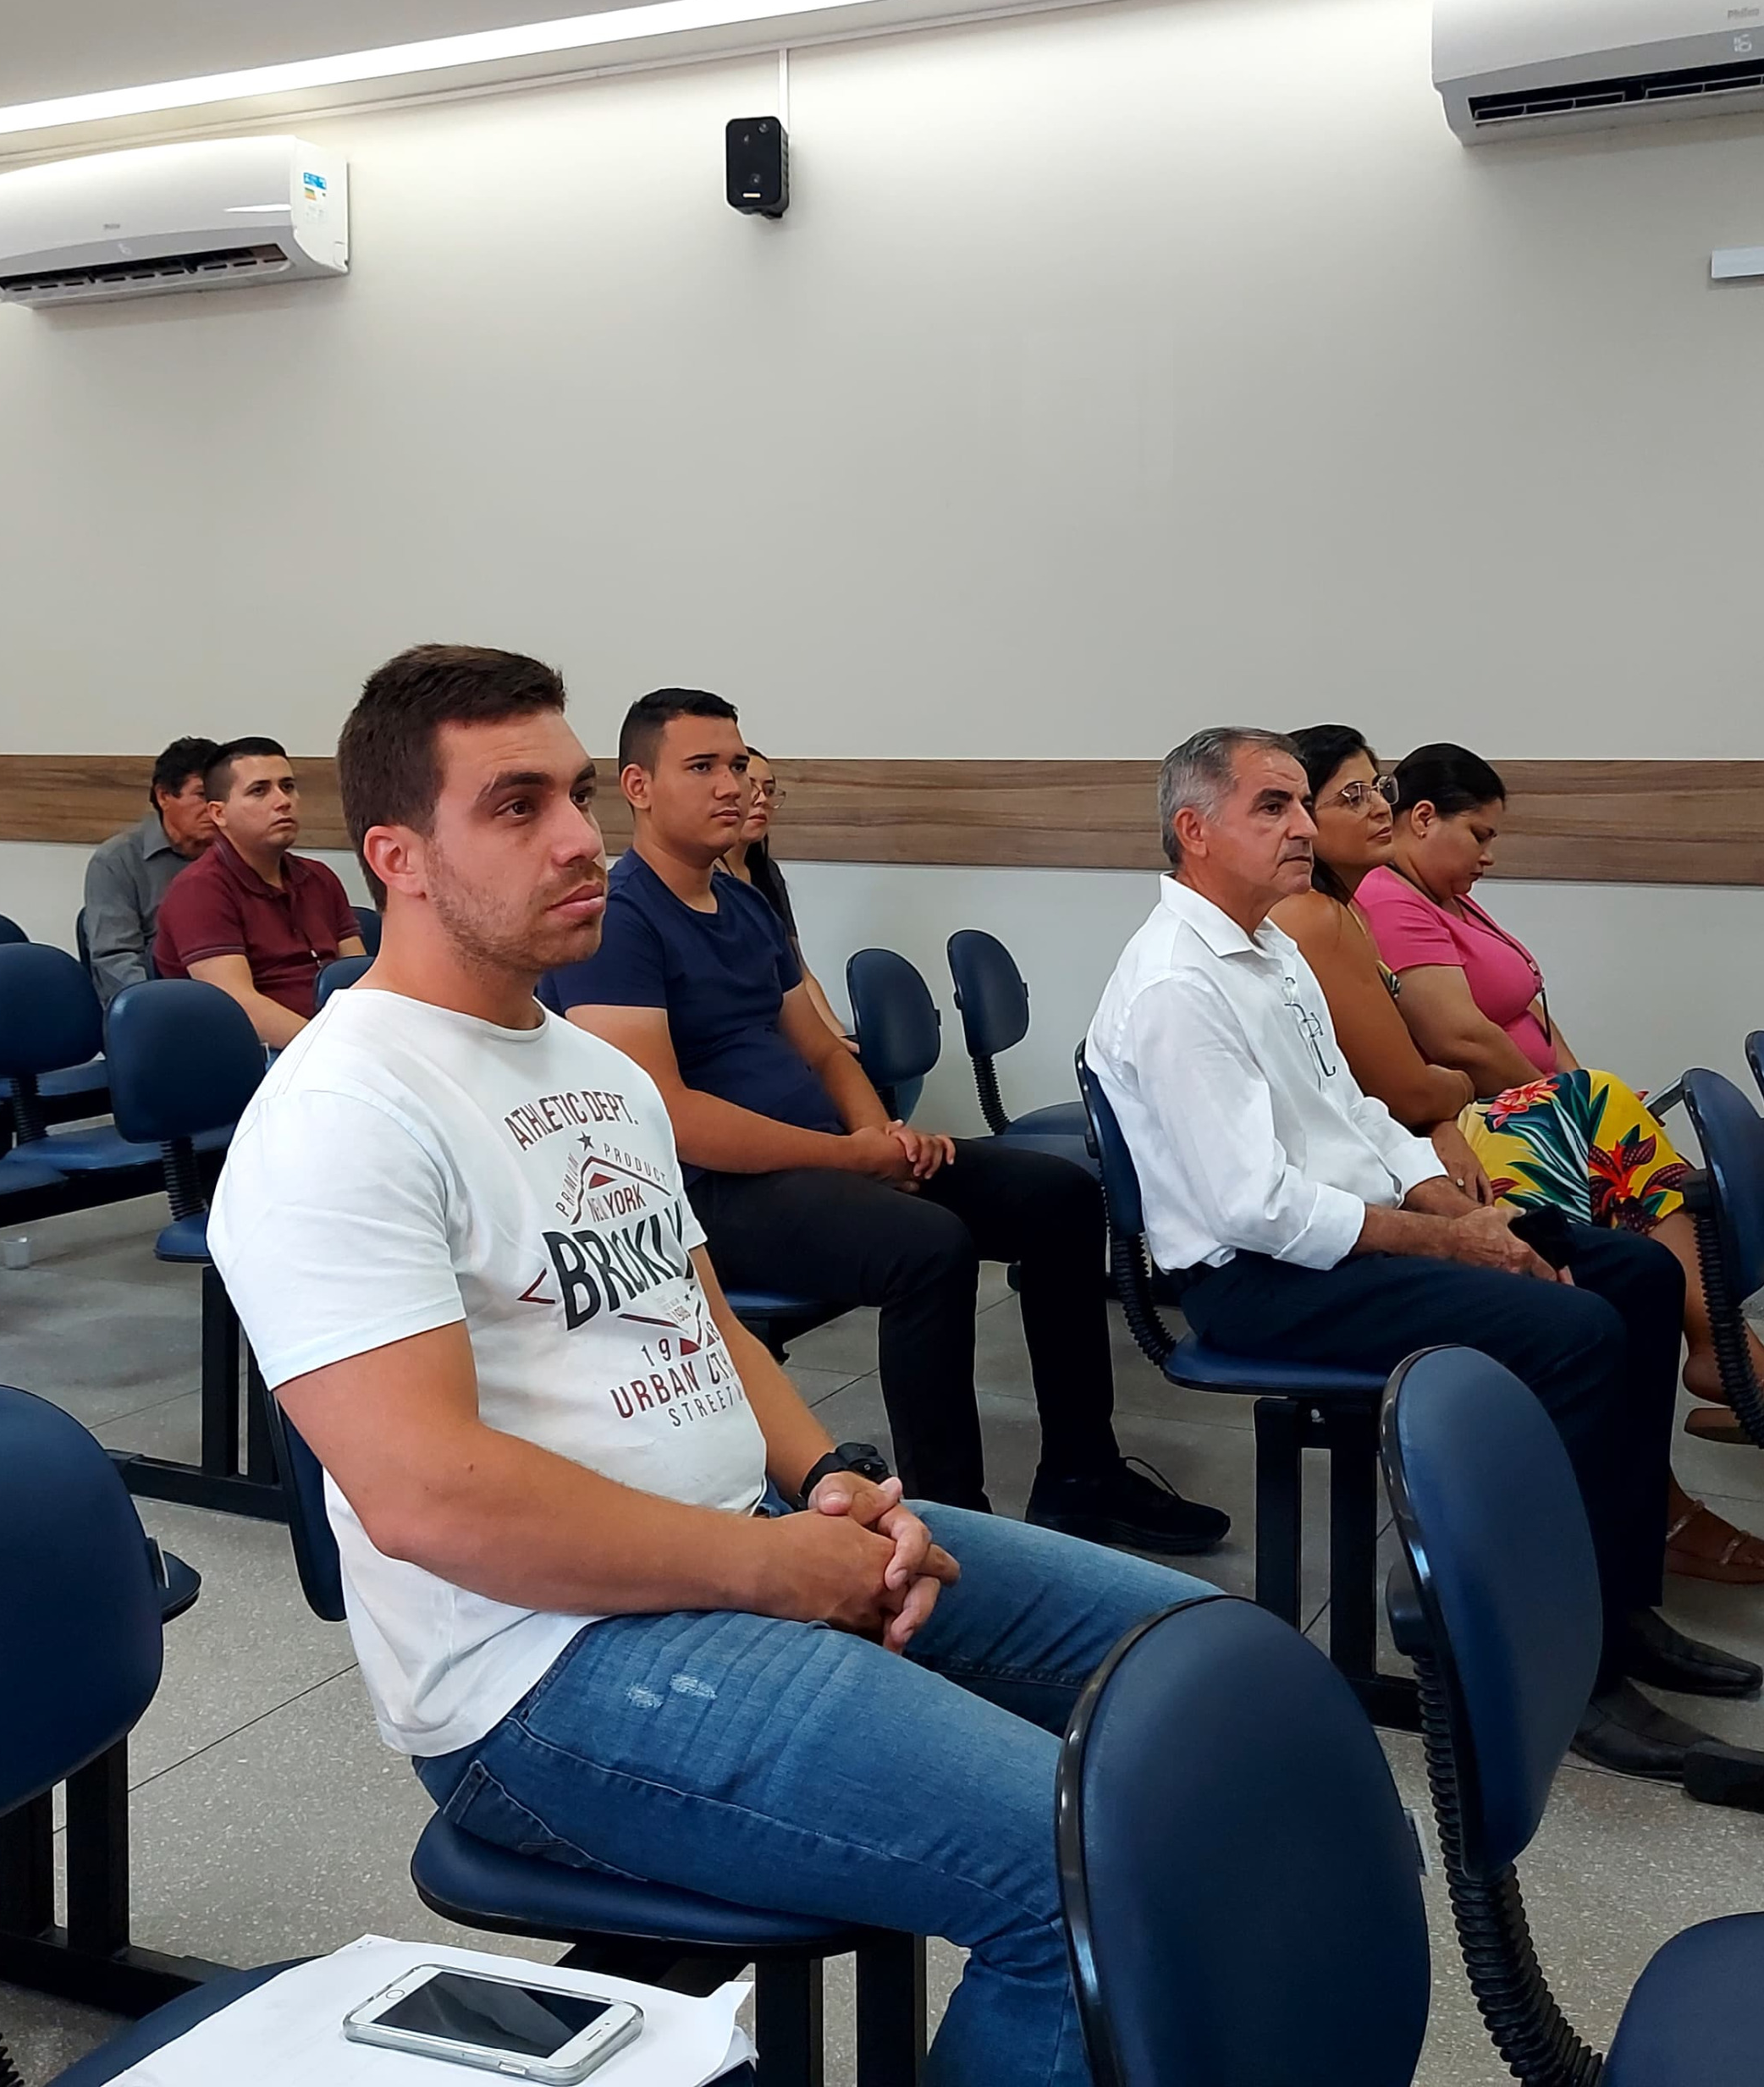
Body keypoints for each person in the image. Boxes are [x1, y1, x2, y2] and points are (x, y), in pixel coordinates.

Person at [211, 644, 1214, 2087]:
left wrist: (829, 1482)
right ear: (398, 857)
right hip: (536, 1670)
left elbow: (706, 1321)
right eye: (514, 804)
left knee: (1191, 1663)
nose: (577, 836)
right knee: (1082, 1864)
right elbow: (429, 1496)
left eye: (571, 792)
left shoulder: (595, 1073)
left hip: (739, 1540)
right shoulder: (344, 1111)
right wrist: (770, 1570)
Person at [1085, 726, 1757, 1776]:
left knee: (1631, 1273)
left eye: (1303, 804)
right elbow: (1254, 1208)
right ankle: (1565, 1672)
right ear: (1192, 831)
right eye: (1272, 807)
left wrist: (1449, 1203)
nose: (1304, 826)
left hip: (1342, 1234)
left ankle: (1617, 1603)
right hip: (1256, 1282)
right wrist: (1449, 1243)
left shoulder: (1269, 947)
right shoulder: (1178, 984)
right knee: (1576, 1333)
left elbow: (1357, 1115)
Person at [550, 688, 1221, 1551]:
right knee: (925, 1247)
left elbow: (827, 1050)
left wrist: (883, 1138)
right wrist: (852, 1157)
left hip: (821, 1160)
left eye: (737, 762)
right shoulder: (621, 919)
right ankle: (955, 1520)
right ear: (636, 787)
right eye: (702, 767)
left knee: (1057, 1198)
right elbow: (666, 1118)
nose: (731, 783)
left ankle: (1081, 1476)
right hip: (709, 1195)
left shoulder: (744, 904)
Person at [1287, 727, 1764, 1582]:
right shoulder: (1348, 909)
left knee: (1606, 1142)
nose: (1375, 805)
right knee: (1599, 1156)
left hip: (1446, 1132)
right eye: (1353, 795)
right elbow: (1421, 1072)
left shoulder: (1379, 904)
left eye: (1375, 787)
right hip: (1414, 1159)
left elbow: (1472, 1041)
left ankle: (1667, 1457)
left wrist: (1535, 1101)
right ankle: (1686, 1424)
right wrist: (1508, 1106)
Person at [151, 735, 364, 1049]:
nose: (282, 801)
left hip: (337, 1041)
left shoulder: (319, 878)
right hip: (257, 1054)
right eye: (259, 791)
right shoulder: (199, 889)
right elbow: (240, 1005)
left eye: (288, 786)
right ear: (218, 814)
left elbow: (358, 976)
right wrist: (336, 1051)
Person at [724, 746, 853, 1049]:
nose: (761, 800)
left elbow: (800, 974)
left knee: (881, 1069)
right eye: (751, 787)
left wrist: (839, 1037)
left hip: (791, 1020)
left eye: (769, 791)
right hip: (757, 1031)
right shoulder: (711, 878)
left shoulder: (766, 873)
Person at [81, 735, 226, 1005]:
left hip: (229, 997)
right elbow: (115, 959)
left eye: (222, 796)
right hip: (153, 1007)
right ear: (164, 796)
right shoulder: (117, 861)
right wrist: (160, 1007)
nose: (214, 808)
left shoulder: (236, 854)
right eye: (202, 795)